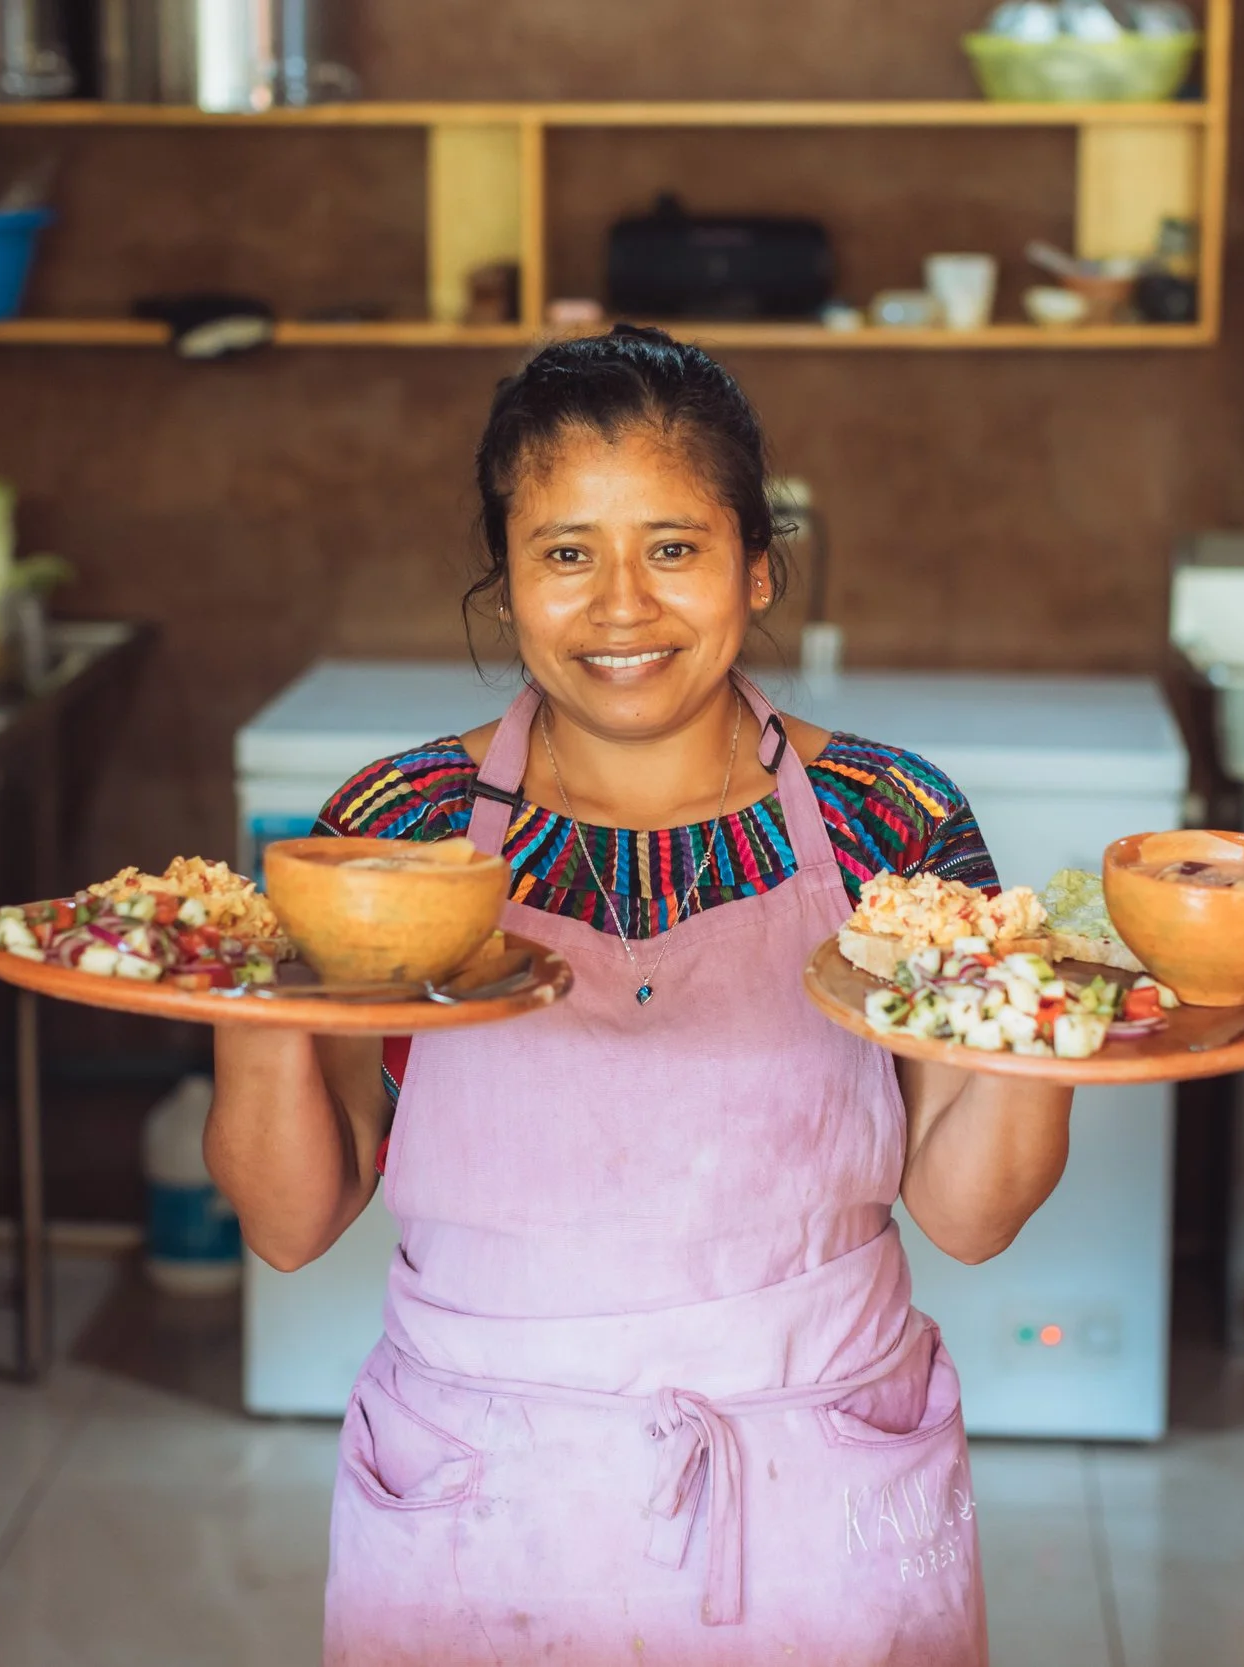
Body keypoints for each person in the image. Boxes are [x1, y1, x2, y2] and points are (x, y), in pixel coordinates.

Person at [206, 325, 1073, 1665]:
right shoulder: (400, 833)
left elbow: (969, 1216)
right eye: (566, 553)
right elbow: (286, 1220)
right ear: (505, 584)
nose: (622, 605)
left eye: (673, 546)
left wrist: (1043, 1017)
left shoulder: (885, 820)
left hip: (815, 1501)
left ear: (757, 564)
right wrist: (256, 984)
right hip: (481, 1502)